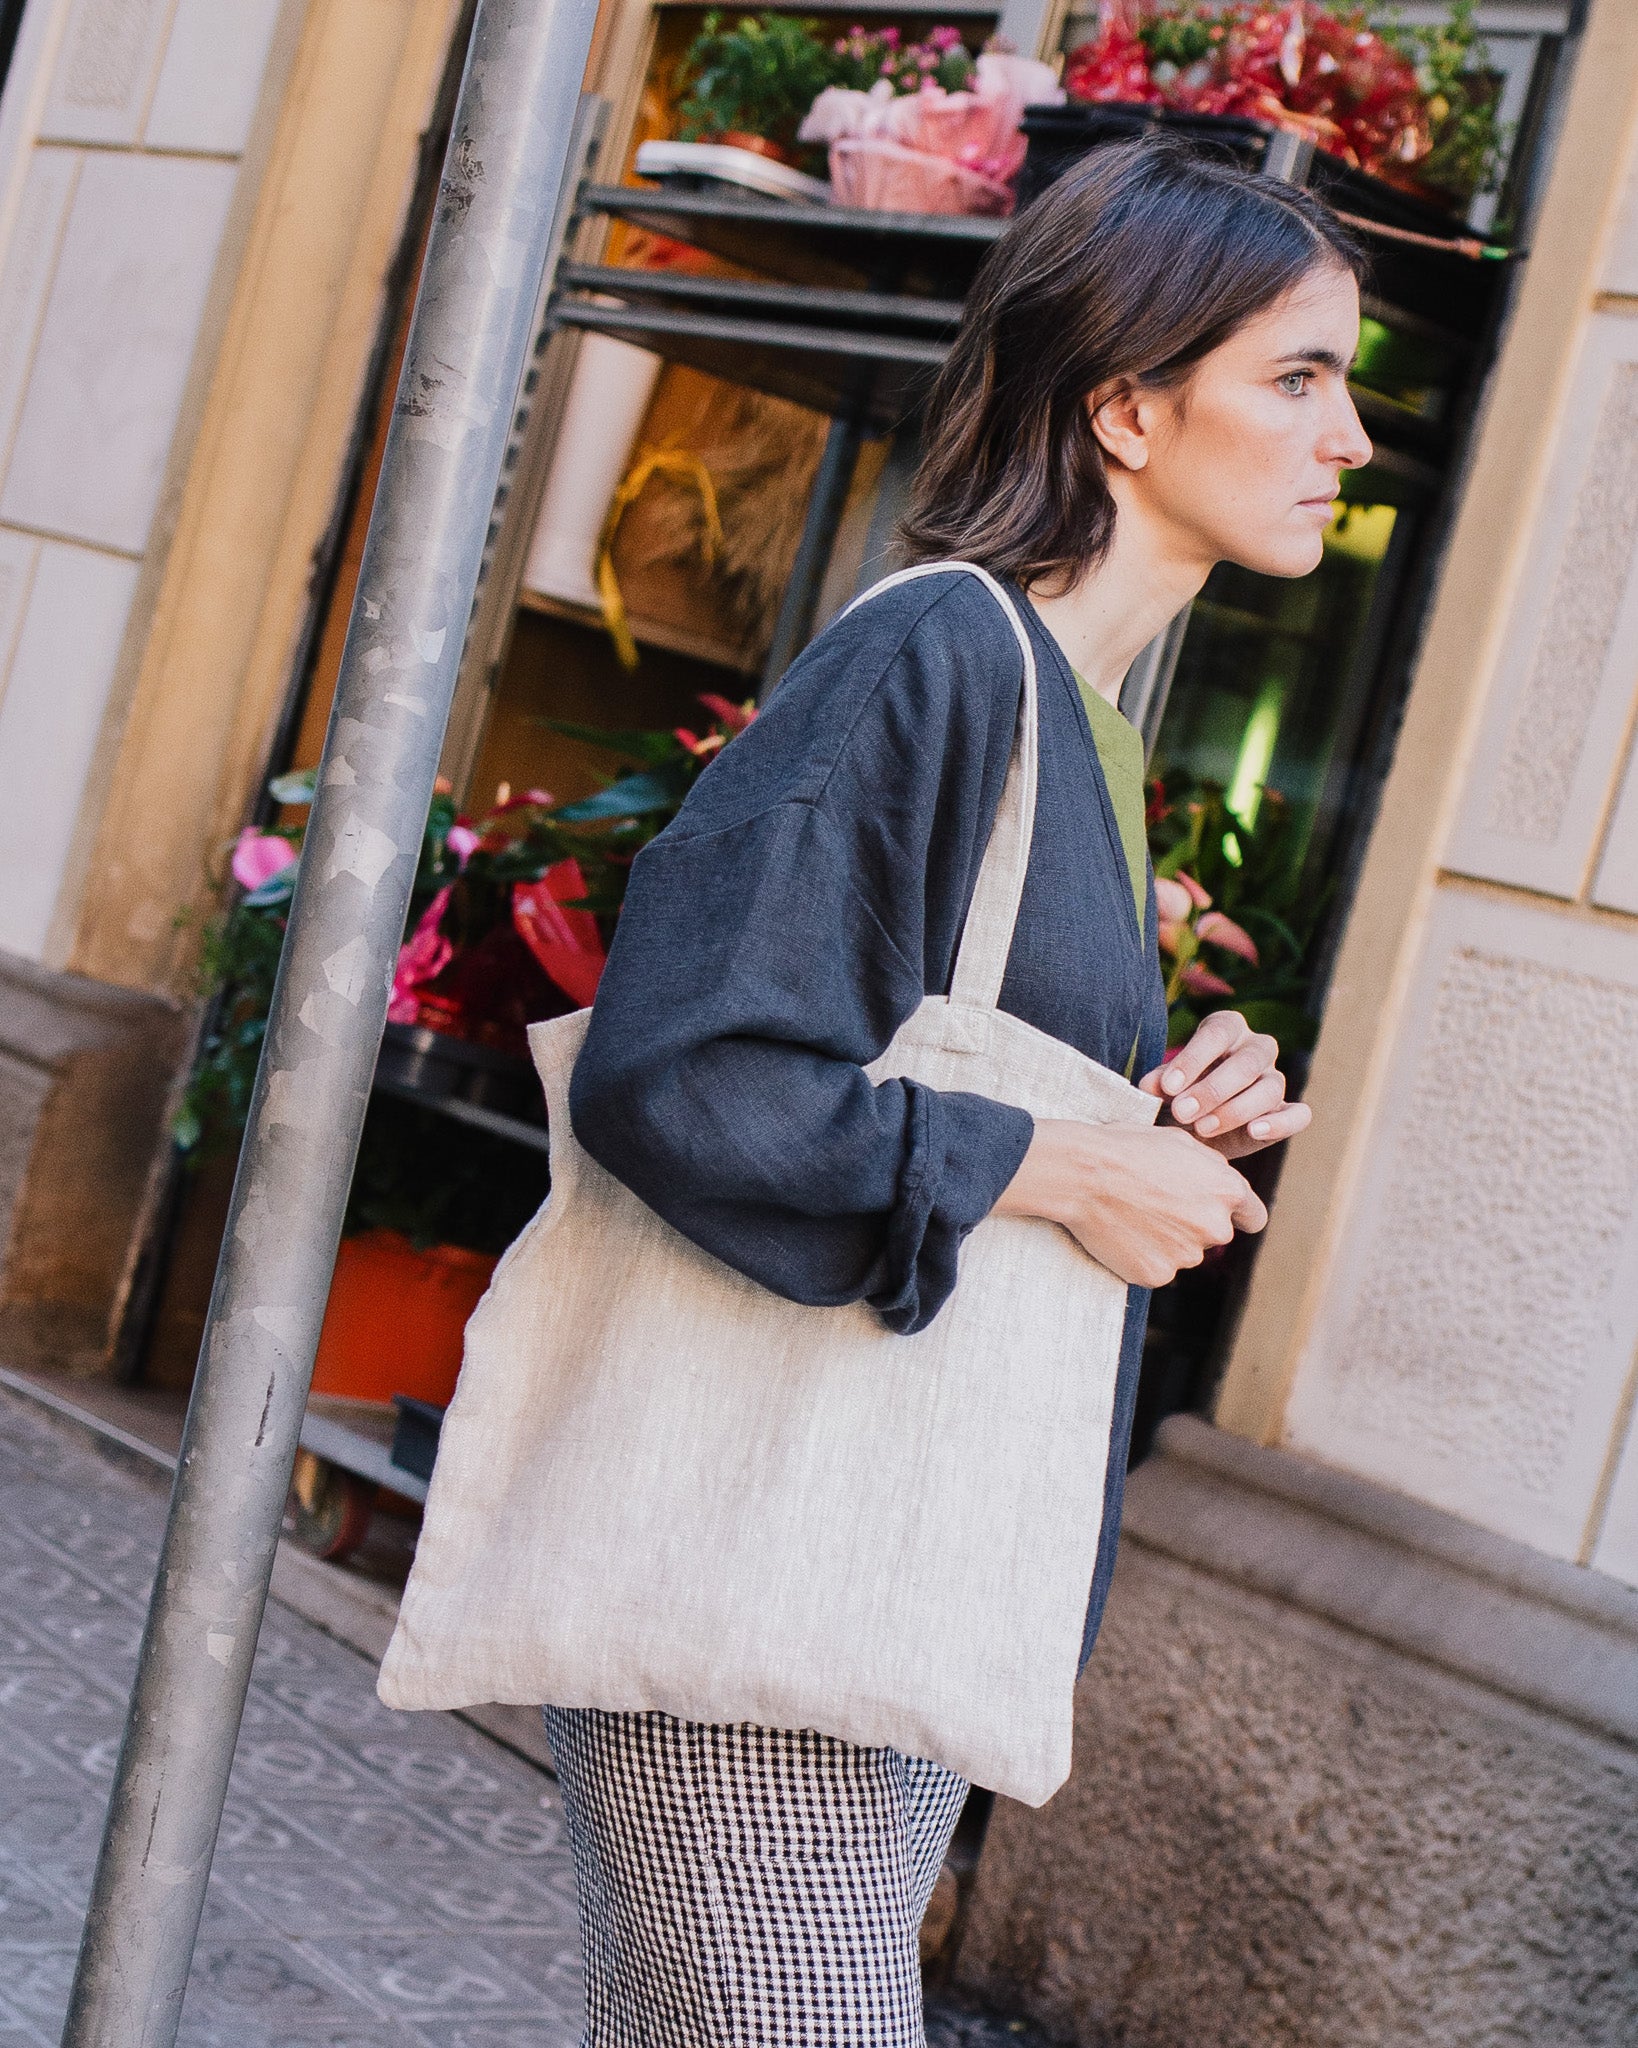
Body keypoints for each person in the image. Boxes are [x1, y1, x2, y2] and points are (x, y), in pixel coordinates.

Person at [548, 137, 1372, 2046]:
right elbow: (688, 1075)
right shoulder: (937, 651)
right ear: (1126, 408)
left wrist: (1159, 1131)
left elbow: (926, 1099)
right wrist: (1074, 1166)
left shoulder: (1075, 726)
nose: (1346, 437)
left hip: (871, 1593)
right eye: (1296, 377)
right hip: (765, 1607)